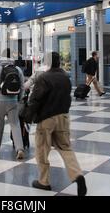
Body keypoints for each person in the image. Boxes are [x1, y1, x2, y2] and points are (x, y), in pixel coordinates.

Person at [27, 52, 87, 196]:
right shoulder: (66, 78)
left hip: (47, 118)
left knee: (42, 150)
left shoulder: (43, 78)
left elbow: (35, 99)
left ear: (47, 63)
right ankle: (77, 175)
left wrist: (27, 116)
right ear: (59, 62)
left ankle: (44, 181)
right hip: (63, 117)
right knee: (65, 148)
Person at [0, 48, 25, 160]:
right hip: (13, 101)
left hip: (0, 102)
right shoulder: (17, 69)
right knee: (15, 125)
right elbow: (22, 86)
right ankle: (19, 148)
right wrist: (19, 99)